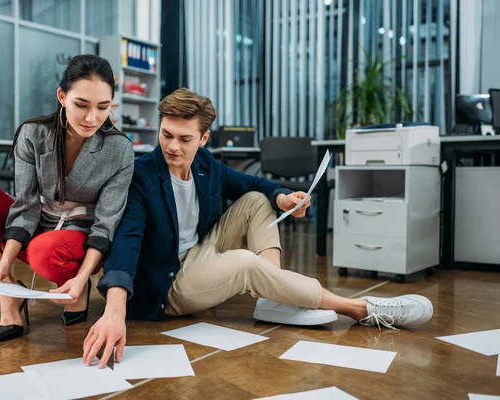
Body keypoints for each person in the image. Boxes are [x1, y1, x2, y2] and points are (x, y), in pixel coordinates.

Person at [82, 88, 433, 368]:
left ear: (203, 139)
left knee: (255, 200)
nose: (173, 146)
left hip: (196, 253)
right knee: (246, 263)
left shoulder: (204, 162)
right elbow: (125, 240)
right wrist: (115, 310)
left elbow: (248, 182)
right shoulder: (141, 175)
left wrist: (282, 197)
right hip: (166, 286)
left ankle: (273, 297)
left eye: (185, 139)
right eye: (166, 135)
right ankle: (360, 309)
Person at [0, 55, 134, 342]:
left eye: (103, 107)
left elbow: (105, 224)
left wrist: (83, 278)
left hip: (79, 236)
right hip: (35, 224)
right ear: (62, 96)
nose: (91, 118)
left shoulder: (119, 149)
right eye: (81, 105)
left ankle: (74, 287)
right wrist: (6, 262)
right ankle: (7, 293)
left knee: (44, 251)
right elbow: (25, 205)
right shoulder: (33, 134)